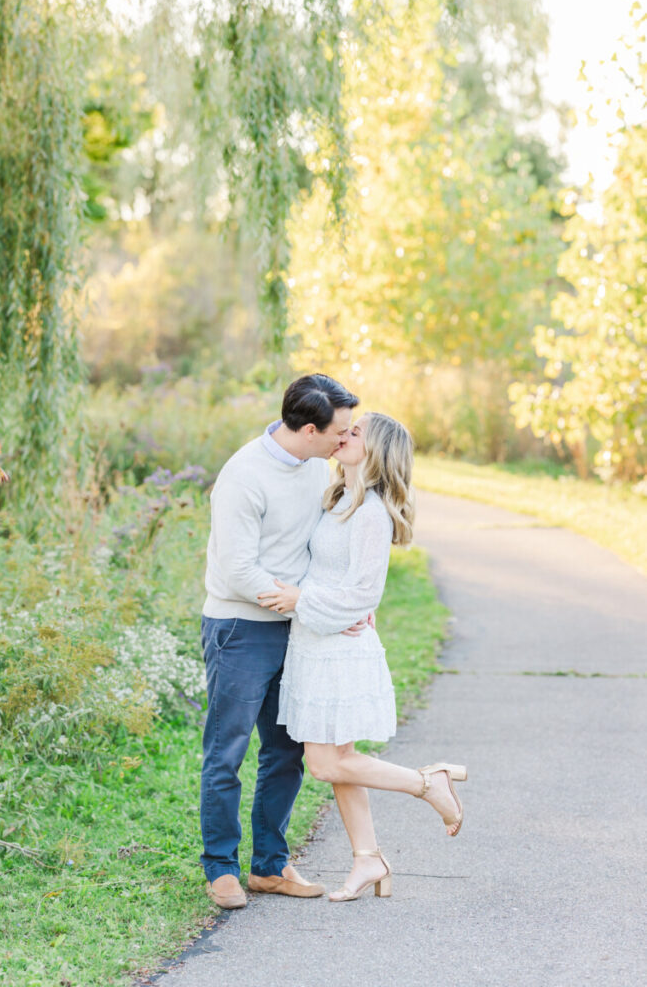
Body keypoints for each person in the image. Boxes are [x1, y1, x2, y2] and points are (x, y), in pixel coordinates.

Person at [259, 412, 467, 902]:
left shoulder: (371, 511)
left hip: (340, 651)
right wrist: (310, 600)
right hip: (315, 644)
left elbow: (363, 594)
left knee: (327, 765)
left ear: (377, 453)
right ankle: (368, 860)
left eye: (354, 433)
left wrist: (299, 600)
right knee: (343, 757)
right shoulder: (336, 497)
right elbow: (331, 577)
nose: (342, 436)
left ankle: (426, 782)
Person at [199, 373, 363, 910]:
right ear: (310, 429)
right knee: (227, 751)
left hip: (298, 629)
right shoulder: (244, 475)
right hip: (240, 630)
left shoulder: (319, 466)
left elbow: (326, 543)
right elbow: (239, 568)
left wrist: (331, 605)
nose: (347, 441)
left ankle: (269, 866)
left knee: (287, 750)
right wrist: (302, 601)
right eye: (340, 432)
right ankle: (220, 867)